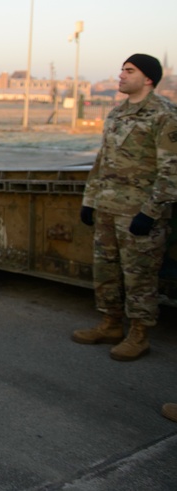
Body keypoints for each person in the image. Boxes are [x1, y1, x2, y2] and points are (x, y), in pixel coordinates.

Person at [73, 54, 177, 361]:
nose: (120, 76)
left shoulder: (164, 115)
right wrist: (90, 201)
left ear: (148, 79)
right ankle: (111, 323)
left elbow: (171, 170)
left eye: (128, 71)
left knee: (139, 277)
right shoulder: (116, 114)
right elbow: (101, 161)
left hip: (139, 213)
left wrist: (150, 212)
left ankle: (139, 334)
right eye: (121, 70)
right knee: (106, 271)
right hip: (107, 207)